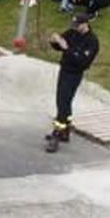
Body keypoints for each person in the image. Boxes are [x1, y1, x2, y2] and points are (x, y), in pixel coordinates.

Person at [44, 13, 99, 153]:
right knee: (63, 101)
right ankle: (65, 131)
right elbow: (60, 46)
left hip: (74, 74)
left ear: (85, 24)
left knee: (63, 102)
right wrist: (55, 41)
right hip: (64, 70)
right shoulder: (72, 33)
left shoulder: (92, 41)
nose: (75, 28)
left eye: (78, 25)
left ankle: (56, 134)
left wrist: (66, 48)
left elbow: (82, 61)